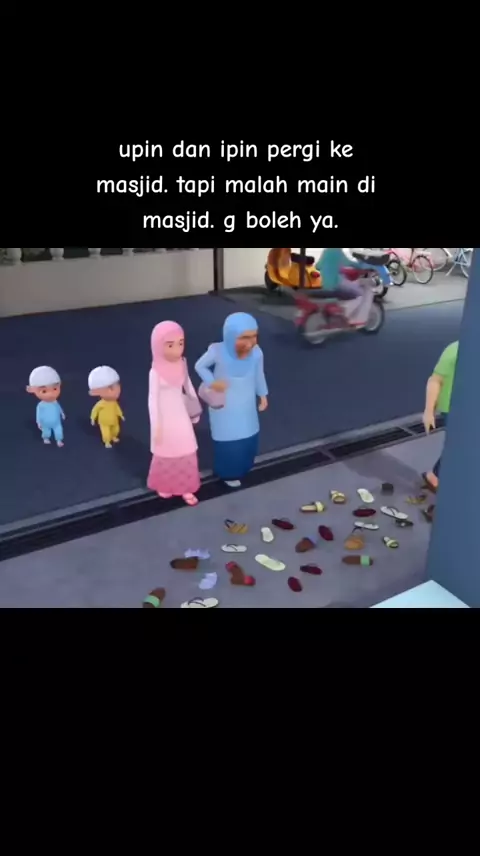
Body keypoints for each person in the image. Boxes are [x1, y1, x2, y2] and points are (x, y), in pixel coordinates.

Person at [195, 312, 268, 488]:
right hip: (226, 408)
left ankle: (244, 466)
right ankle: (228, 473)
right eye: (244, 337)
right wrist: (212, 382)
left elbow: (259, 375)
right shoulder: (218, 351)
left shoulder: (256, 353)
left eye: (254, 336)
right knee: (229, 442)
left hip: (247, 406)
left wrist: (263, 395)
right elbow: (200, 366)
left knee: (249, 438)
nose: (250, 343)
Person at [147, 321, 202, 507]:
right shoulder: (155, 372)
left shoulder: (182, 364)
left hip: (180, 413)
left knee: (186, 448)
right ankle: (165, 485)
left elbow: (188, 386)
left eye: (181, 343)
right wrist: (156, 425)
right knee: (166, 451)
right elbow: (152, 400)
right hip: (164, 417)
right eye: (170, 345)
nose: (177, 350)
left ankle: (186, 487)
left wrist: (195, 408)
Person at [422, 341, 459, 492]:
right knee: (457, 443)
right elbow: (435, 380)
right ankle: (434, 476)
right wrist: (428, 412)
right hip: (453, 407)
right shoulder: (454, 350)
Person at [27, 365, 66, 447]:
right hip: (45, 423)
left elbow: (58, 408)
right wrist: (38, 422)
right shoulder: (41, 405)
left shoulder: (55, 402)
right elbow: (38, 414)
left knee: (58, 430)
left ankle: (59, 440)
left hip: (56, 422)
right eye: (44, 391)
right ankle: (46, 438)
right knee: (46, 431)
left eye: (55, 389)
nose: (51, 394)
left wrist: (62, 413)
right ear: (32, 390)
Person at [89, 366, 125, 449]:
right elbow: (95, 410)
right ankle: (107, 441)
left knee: (116, 429)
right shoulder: (101, 404)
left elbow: (117, 408)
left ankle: (113, 436)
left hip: (114, 420)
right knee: (106, 433)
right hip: (104, 422)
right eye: (111, 388)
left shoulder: (114, 402)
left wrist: (121, 415)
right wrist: (92, 418)